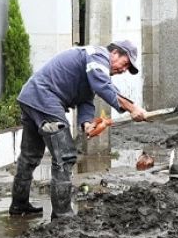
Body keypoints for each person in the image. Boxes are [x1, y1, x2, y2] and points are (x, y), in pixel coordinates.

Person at [9, 41, 149, 219]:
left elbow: (87, 100)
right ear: (114, 53)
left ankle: (19, 205)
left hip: (32, 97)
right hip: (45, 98)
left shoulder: (93, 66)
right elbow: (103, 86)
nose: (124, 70)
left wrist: (86, 123)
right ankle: (62, 214)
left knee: (30, 156)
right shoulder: (98, 56)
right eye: (126, 63)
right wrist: (133, 108)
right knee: (65, 156)